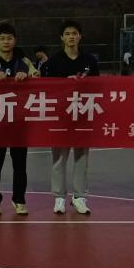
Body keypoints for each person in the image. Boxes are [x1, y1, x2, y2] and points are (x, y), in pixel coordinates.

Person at [0, 23, 39, 215]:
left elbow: (40, 80)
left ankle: (19, 200)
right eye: (2, 38)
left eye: (9, 38)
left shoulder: (25, 62)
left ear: (15, 40)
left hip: (19, 121)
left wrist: (27, 76)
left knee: (20, 165)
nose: (6, 41)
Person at [41, 19, 99, 215]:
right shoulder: (52, 62)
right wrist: (64, 84)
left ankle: (79, 196)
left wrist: (83, 84)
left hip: (83, 114)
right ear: (62, 37)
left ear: (80, 36)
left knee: (82, 157)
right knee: (59, 158)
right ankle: (59, 197)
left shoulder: (90, 61)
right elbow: (45, 89)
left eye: (74, 33)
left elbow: (98, 87)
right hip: (60, 116)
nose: (71, 37)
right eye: (67, 34)